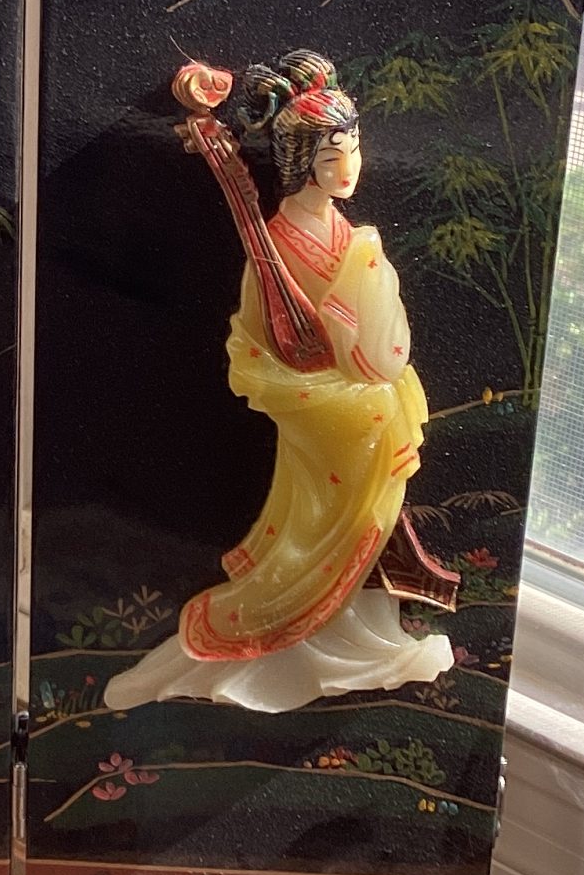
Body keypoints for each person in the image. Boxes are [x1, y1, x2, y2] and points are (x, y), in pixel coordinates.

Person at [105, 51, 453, 716]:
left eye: (353, 150)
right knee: (316, 532)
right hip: (328, 416)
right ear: (299, 163)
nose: (348, 168)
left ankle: (366, 638)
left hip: (361, 407)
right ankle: (296, 646)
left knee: (364, 527)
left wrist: (371, 321)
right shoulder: (280, 243)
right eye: (331, 157)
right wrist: (331, 374)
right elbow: (253, 344)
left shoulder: (343, 232)